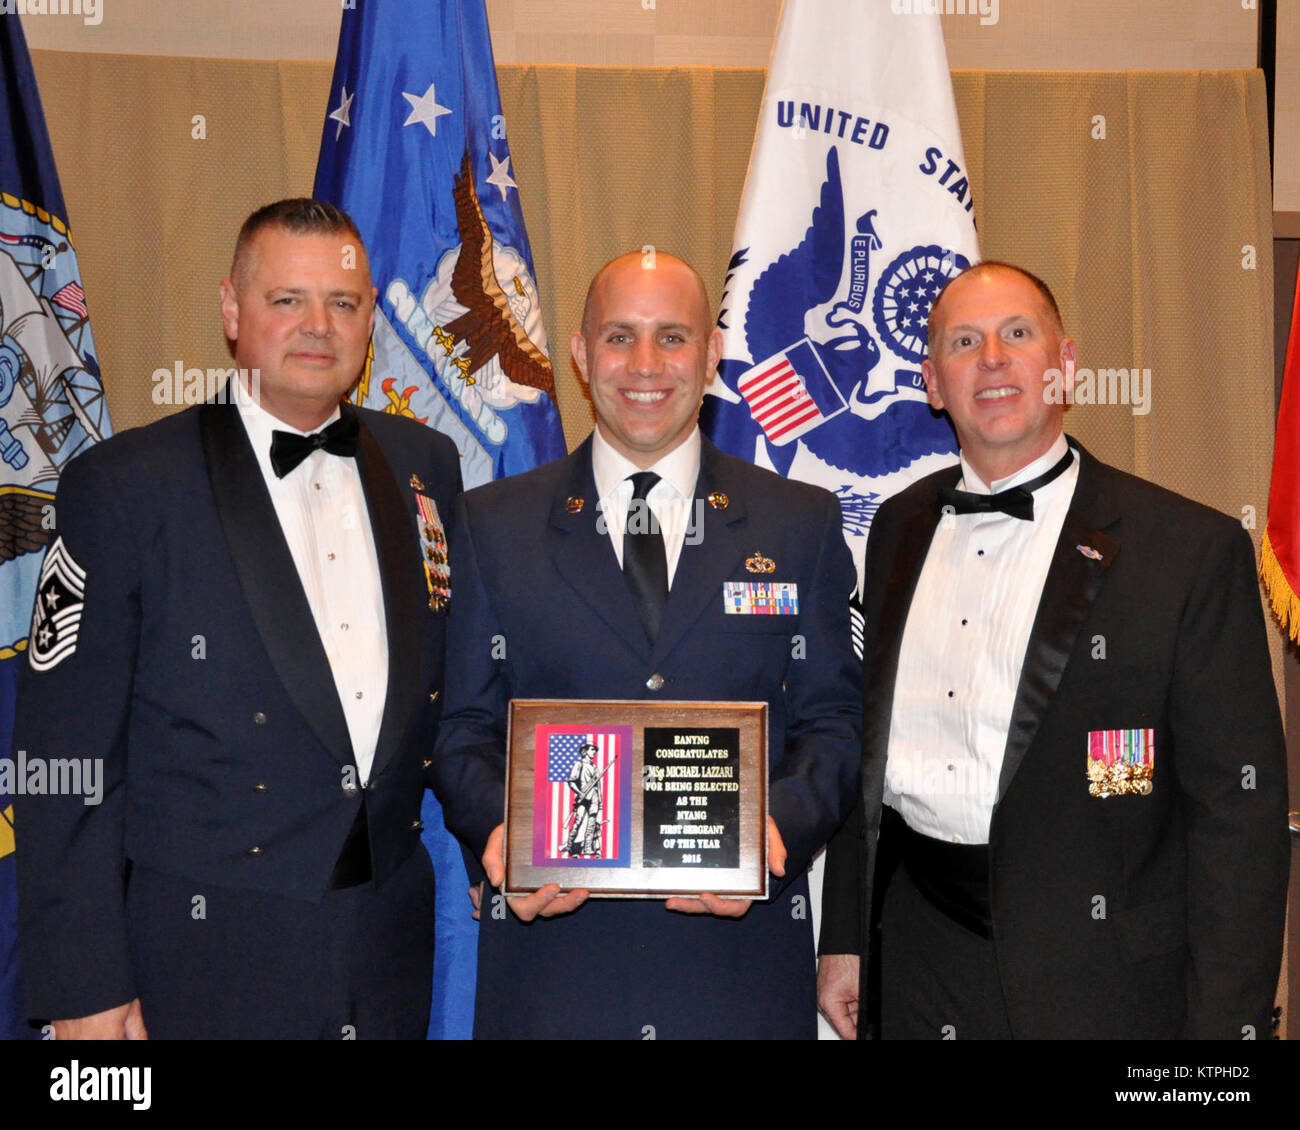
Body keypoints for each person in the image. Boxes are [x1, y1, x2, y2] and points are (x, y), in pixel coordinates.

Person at [14, 198, 461, 1039]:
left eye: (343, 302)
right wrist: (81, 987)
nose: (317, 326)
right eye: (286, 299)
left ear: (371, 318)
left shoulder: (424, 465)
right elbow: (60, 757)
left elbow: (457, 688)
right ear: (230, 309)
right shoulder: (126, 486)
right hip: (201, 958)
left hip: (388, 956)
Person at [818, 261, 1290, 1040]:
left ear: (1064, 367)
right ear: (934, 382)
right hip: (919, 955)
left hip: (1102, 981)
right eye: (965, 342)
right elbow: (866, 746)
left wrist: (1224, 1041)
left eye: (1017, 334)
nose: (993, 358)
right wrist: (844, 936)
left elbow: (1239, 817)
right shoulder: (896, 527)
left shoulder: (1189, 550)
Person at [432, 250, 861, 1039]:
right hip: (555, 969)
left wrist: (775, 833)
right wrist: (507, 834)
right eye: (620, 336)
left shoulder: (798, 522)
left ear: (710, 356)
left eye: (672, 337)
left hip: (735, 967)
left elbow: (833, 722)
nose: (645, 365)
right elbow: (462, 729)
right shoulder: (493, 525)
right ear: (580, 354)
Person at [565, 742, 603, 857]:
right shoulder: (579, 764)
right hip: (582, 798)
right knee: (578, 822)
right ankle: (570, 847)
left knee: (591, 824)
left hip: (594, 798)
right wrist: (580, 793)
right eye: (592, 749)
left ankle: (587, 849)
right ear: (585, 751)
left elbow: (598, 785)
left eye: (595, 750)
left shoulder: (595, 767)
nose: (594, 752)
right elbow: (571, 781)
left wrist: (600, 800)